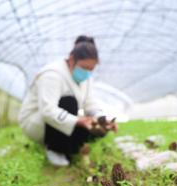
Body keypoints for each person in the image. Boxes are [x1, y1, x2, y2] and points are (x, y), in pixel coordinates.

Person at [18, 35, 117, 167]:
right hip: (37, 122)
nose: (87, 73)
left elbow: (90, 103)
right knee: (69, 102)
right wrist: (79, 120)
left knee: (97, 128)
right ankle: (55, 149)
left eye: (91, 70)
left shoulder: (86, 78)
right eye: (84, 68)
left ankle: (69, 149)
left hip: (60, 121)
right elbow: (48, 110)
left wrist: (102, 120)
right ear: (71, 60)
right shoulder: (52, 74)